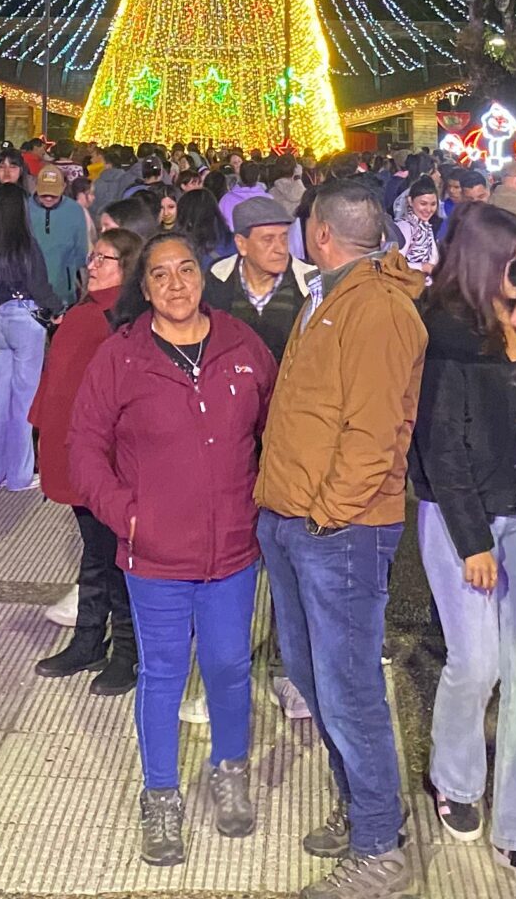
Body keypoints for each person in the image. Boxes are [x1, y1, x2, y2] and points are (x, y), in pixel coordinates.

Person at [71, 229, 279, 867]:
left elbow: (277, 431)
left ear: (203, 274)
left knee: (228, 666)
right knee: (161, 673)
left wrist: (263, 507)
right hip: (155, 554)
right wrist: (127, 516)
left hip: (232, 551)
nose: (176, 284)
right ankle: (159, 793)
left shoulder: (243, 347)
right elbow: (83, 447)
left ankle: (229, 770)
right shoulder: (121, 357)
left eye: (186, 269)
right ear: (145, 287)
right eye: (160, 275)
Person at [255, 177, 427, 899]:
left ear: (321, 231)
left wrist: (327, 514)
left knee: (349, 686)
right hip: (296, 519)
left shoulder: (381, 309)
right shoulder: (331, 294)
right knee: (317, 678)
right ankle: (364, 808)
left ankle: (380, 845)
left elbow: (374, 432)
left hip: (340, 530)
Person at [408, 199, 516, 866]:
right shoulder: (447, 334)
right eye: (514, 256)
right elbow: (442, 450)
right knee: (478, 660)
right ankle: (456, 776)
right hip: (459, 504)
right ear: (486, 260)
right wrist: (473, 541)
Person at [34, 226, 140, 691]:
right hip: (74, 451)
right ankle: (92, 640)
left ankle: (126, 650)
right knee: (99, 554)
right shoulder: (90, 311)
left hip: (100, 457)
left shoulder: (118, 317)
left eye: (105, 259)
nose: (92, 265)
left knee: (113, 556)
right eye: (94, 257)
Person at [0, 178, 59, 492]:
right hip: (26, 318)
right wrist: (57, 309)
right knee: (24, 399)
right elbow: (40, 286)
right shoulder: (27, 243)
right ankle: (19, 475)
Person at [206, 193, 319, 358]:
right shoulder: (217, 278)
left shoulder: (311, 282)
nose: (280, 249)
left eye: (283, 237)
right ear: (241, 244)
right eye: (268, 240)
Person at [24, 162, 91, 302]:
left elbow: (81, 251)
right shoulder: (24, 208)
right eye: (44, 194)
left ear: (63, 187)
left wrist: (72, 275)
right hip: (29, 291)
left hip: (63, 291)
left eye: (53, 195)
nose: (48, 198)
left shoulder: (75, 210)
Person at [395, 176, 441, 275]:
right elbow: (395, 262)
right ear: (410, 201)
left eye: (433, 204)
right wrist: (422, 267)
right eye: (423, 203)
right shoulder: (404, 226)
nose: (428, 209)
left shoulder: (426, 226)